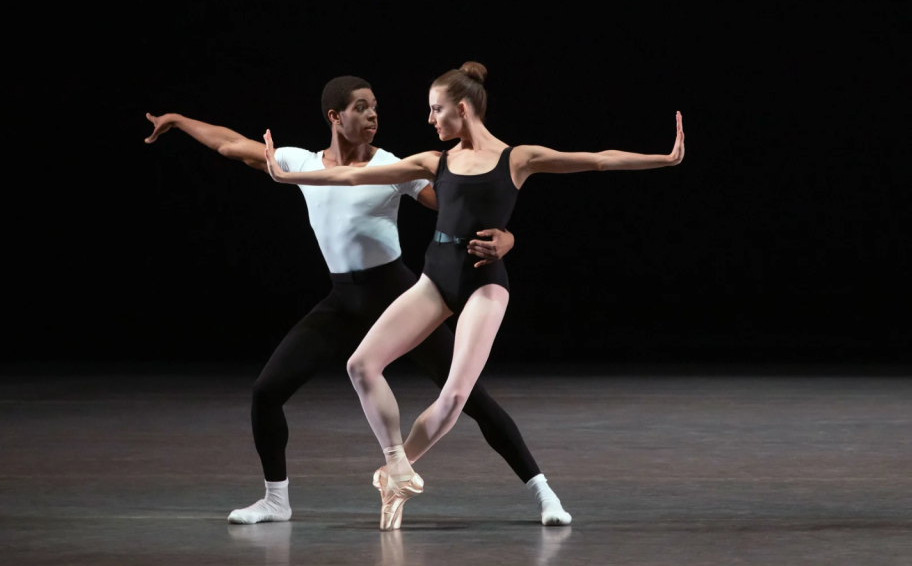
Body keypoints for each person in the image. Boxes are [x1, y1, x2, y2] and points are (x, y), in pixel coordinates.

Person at [263, 62, 685, 530]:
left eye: (436, 110)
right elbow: (350, 177)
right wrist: (288, 178)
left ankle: (408, 476)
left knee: (457, 396)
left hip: (485, 284)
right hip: (433, 281)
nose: (430, 120)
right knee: (360, 365)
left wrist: (662, 159)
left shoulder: (517, 158)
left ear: (461, 109)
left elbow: (597, 158)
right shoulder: (433, 161)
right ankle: (397, 466)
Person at [144, 75, 572, 528]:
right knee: (266, 392)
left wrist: (506, 238)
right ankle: (276, 501)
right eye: (363, 108)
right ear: (335, 117)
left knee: (470, 399)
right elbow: (231, 145)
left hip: (400, 294)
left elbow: (465, 203)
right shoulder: (299, 162)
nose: (373, 116)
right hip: (343, 300)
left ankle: (543, 492)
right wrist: (177, 119)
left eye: (375, 108)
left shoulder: (392, 166)